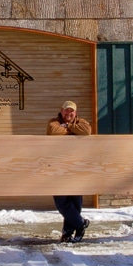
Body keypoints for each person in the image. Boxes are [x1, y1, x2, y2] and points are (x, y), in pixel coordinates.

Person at [47, 100, 92, 243]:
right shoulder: (53, 122)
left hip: (76, 168)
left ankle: (67, 233)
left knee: (75, 202)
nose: (69, 113)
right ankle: (81, 223)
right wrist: (73, 130)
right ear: (61, 111)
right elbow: (53, 131)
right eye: (66, 110)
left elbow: (86, 131)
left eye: (71, 111)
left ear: (75, 113)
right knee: (62, 202)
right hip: (58, 168)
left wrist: (67, 127)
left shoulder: (82, 122)